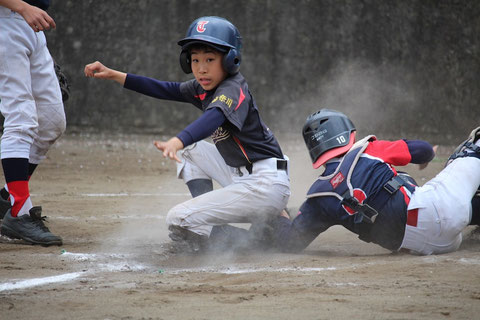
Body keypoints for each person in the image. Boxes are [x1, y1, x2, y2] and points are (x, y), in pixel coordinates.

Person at [84, 16, 291, 252]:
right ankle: (241, 226)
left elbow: (213, 118)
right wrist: (113, 74)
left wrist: (177, 140)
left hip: (264, 183)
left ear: (231, 60)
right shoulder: (204, 86)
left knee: (178, 219)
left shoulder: (233, 89)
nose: (201, 68)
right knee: (191, 152)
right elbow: (164, 89)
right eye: (195, 60)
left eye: (210, 59)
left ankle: (249, 239)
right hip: (246, 175)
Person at [271, 109, 480, 255]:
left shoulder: (319, 196)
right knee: (473, 145)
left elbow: (290, 242)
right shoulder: (369, 150)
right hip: (440, 209)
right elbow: (424, 150)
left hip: (422, 247)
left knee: (433, 199)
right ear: (345, 133)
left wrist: (279, 212)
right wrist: (426, 157)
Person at [0, 0, 66, 246]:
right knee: (21, 119)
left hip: (31, 26)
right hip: (7, 20)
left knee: (51, 122)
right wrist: (21, 6)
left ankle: (8, 196)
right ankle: (19, 212)